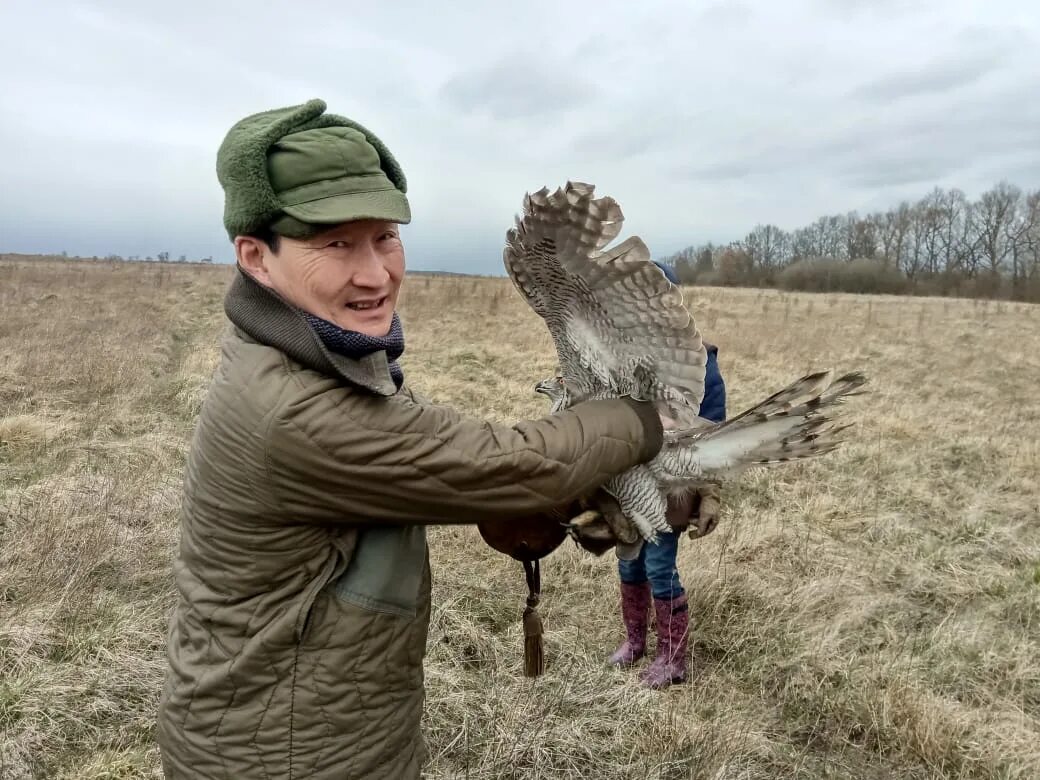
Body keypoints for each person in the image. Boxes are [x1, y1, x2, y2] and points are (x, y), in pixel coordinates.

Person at [155, 98, 673, 780]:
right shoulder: (291, 408)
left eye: (384, 237)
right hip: (282, 757)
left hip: (330, 732)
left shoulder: (318, 353)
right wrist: (648, 422)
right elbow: (512, 465)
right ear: (256, 256)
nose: (375, 273)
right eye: (335, 244)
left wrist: (543, 504)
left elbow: (432, 473)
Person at [608, 341, 727, 689]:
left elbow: (713, 438)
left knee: (660, 569)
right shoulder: (628, 354)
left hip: (671, 491)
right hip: (629, 485)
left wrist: (710, 496)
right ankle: (635, 643)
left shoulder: (703, 367)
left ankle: (672, 659)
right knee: (629, 564)